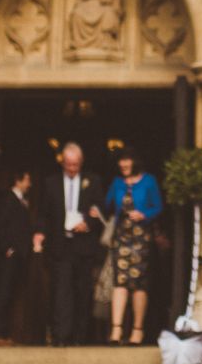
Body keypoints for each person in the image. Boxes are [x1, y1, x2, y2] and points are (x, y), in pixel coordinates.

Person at [34, 142, 104, 346]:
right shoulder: (50, 183)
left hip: (84, 245)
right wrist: (39, 233)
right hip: (60, 245)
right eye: (68, 165)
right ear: (62, 163)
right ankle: (60, 337)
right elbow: (43, 214)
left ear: (81, 163)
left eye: (76, 165)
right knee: (61, 291)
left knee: (82, 292)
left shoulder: (94, 181)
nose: (72, 169)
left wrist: (88, 223)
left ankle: (79, 338)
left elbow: (101, 210)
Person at [105, 147, 162, 345]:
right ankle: (116, 330)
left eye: (127, 161)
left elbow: (158, 206)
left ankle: (137, 331)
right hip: (122, 237)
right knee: (120, 282)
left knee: (139, 284)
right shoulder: (117, 183)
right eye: (121, 162)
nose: (123, 165)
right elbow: (107, 205)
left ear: (135, 162)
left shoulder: (149, 181)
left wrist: (144, 214)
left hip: (141, 237)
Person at [0, 170, 33, 345]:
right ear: (18, 180)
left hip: (18, 256)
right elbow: (0, 225)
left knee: (10, 294)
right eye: (28, 180)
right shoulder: (8, 199)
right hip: (8, 256)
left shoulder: (22, 201)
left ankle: (5, 333)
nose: (30, 184)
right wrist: (7, 248)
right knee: (2, 292)